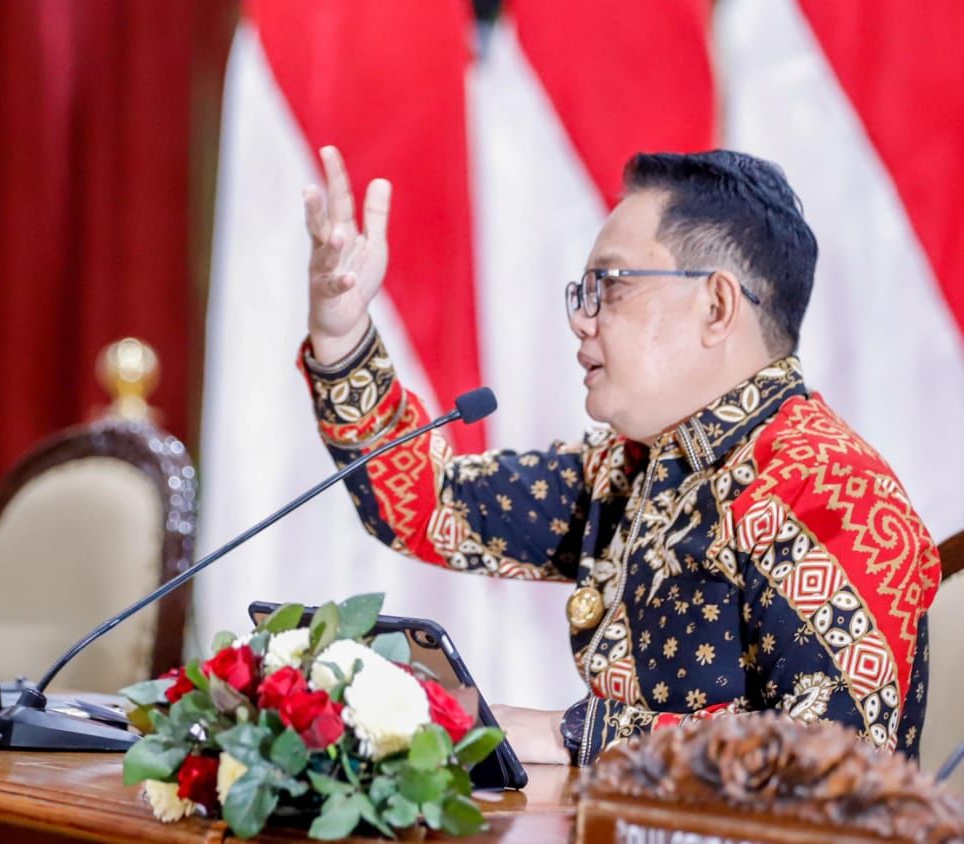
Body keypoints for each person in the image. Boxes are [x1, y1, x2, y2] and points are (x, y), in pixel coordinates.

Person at [298, 146, 939, 765]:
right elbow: (429, 503)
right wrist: (341, 333)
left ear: (716, 306)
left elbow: (832, 763)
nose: (582, 319)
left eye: (610, 285)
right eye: (583, 292)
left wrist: (572, 733)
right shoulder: (637, 466)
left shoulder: (831, 485)